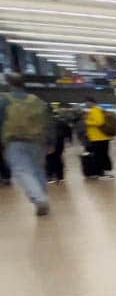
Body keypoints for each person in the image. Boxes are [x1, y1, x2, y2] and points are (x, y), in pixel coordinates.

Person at [0, 73, 52, 215]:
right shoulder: (36, 100)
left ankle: (39, 199)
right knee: (38, 170)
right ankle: (42, 196)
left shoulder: (4, 101)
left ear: (9, 83)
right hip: (37, 141)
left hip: (14, 141)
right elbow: (48, 121)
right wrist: (50, 141)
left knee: (22, 170)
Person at [84, 97, 114, 179]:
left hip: (99, 138)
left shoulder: (95, 110)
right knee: (102, 155)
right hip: (100, 137)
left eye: (86, 102)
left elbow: (100, 122)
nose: (86, 104)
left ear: (91, 102)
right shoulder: (97, 109)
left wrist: (88, 122)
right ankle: (104, 172)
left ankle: (102, 173)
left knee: (100, 156)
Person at [46, 104, 71, 184]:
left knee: (50, 159)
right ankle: (60, 177)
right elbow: (68, 130)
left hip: (50, 142)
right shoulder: (59, 119)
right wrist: (68, 140)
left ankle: (50, 177)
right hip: (60, 142)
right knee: (58, 158)